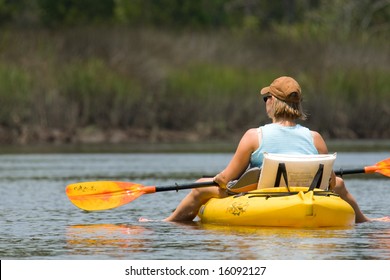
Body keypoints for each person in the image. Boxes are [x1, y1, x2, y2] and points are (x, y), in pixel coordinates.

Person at [164, 76, 370, 223]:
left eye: (266, 98)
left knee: (201, 185)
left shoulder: (254, 135)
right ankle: (365, 221)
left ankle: (168, 221)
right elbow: (331, 181)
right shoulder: (315, 138)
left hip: (263, 196)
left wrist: (219, 178)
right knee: (341, 183)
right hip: (306, 193)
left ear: (272, 102)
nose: (265, 102)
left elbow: (227, 179)